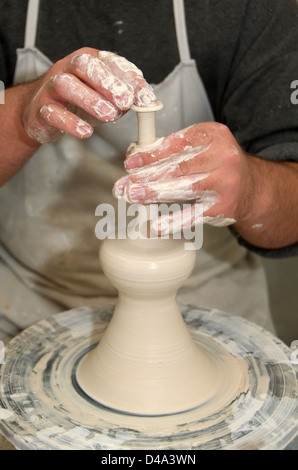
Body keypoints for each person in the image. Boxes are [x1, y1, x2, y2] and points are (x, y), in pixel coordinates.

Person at [0, 0, 297, 343]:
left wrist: (252, 191)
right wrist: (22, 114)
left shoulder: (252, 9)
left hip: (210, 305)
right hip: (28, 304)